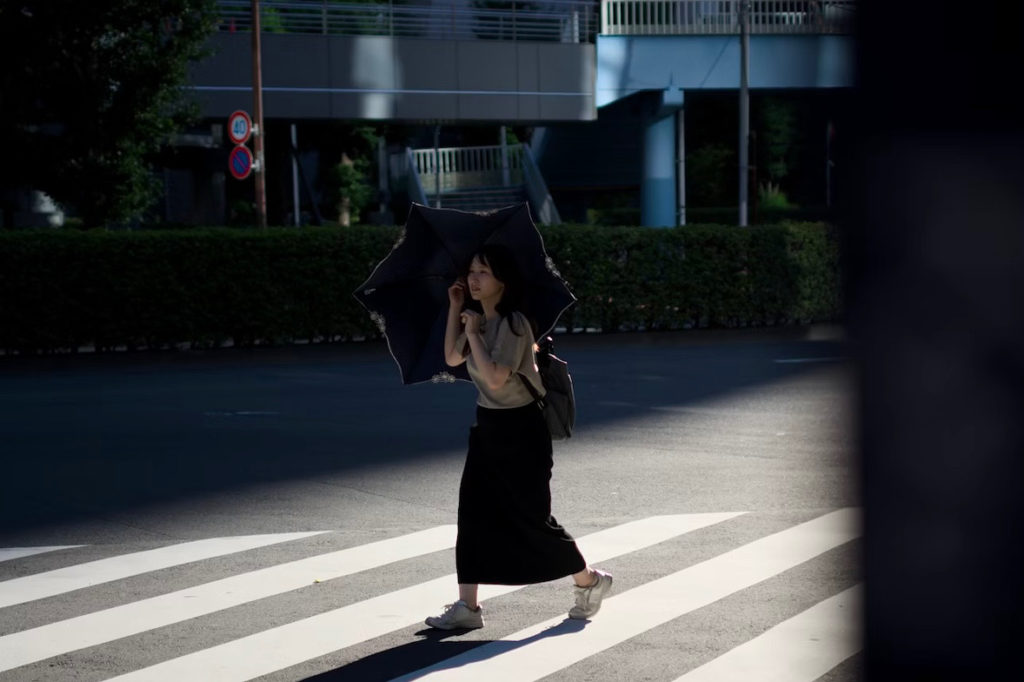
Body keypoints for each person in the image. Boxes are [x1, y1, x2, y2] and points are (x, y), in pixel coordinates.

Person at [425, 245, 612, 631]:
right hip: (488, 427)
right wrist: (455, 308)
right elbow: (450, 357)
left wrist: (474, 333)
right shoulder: (477, 318)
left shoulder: (515, 325)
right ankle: (467, 607)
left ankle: (590, 581)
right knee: (473, 514)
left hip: (523, 431)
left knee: (531, 518)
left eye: (483, 273)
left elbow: (494, 376)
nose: (474, 279)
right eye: (471, 272)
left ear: (502, 282)